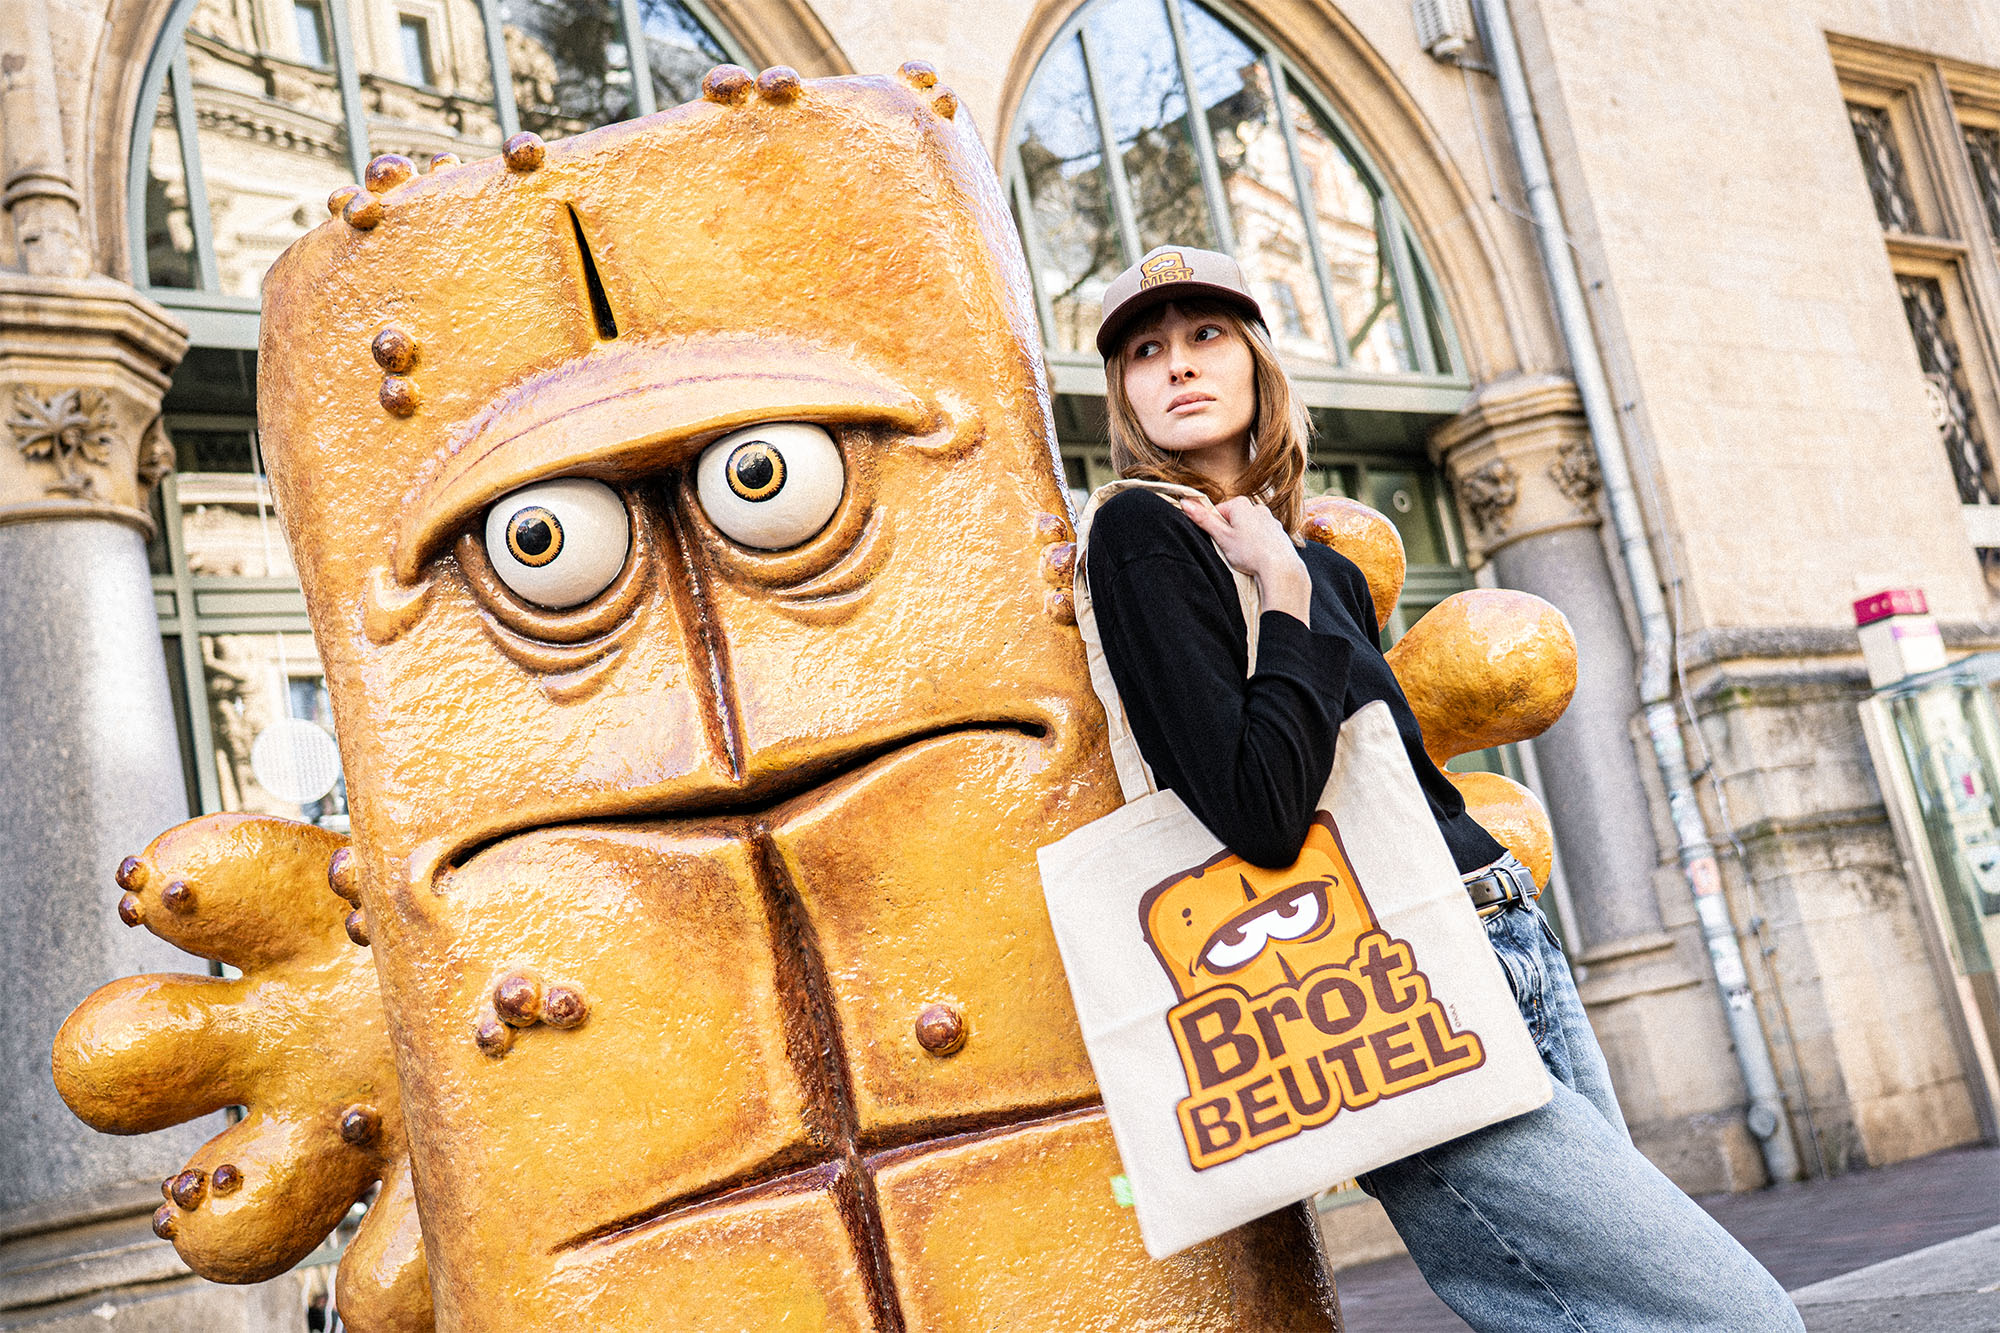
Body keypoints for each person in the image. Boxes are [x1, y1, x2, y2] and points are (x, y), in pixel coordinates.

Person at [1083, 244, 1804, 1333]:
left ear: (1257, 362)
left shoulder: (1317, 561)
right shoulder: (1144, 536)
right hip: (1383, 983)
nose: (1175, 366)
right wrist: (1273, 587)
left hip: (1506, 937)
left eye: (1204, 336)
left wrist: (1289, 571)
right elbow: (1259, 811)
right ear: (1124, 392)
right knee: (1731, 1317)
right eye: (1144, 351)